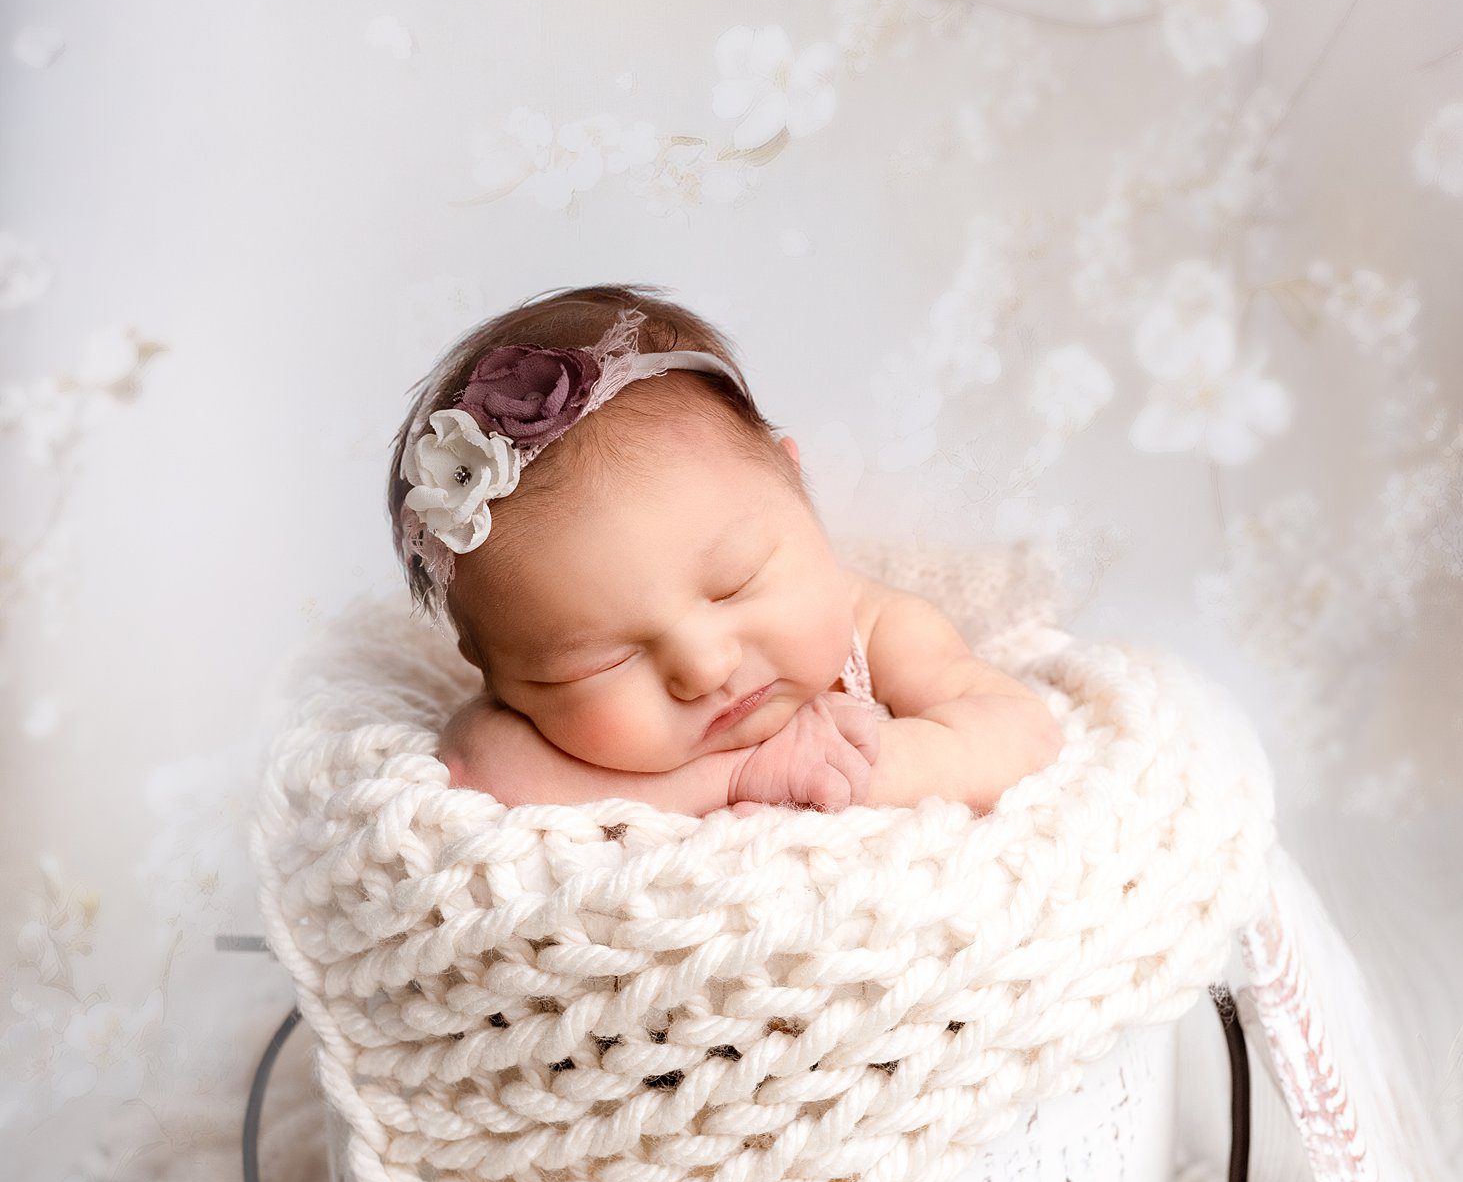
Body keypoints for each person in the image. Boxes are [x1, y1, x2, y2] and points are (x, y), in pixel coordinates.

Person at [386, 283, 1061, 816]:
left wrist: (843, 768)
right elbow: (477, 772)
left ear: (795, 486)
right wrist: (735, 778)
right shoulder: (525, 734)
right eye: (602, 661)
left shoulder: (879, 629)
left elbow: (1016, 732)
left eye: (735, 583)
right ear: (496, 672)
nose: (704, 667)